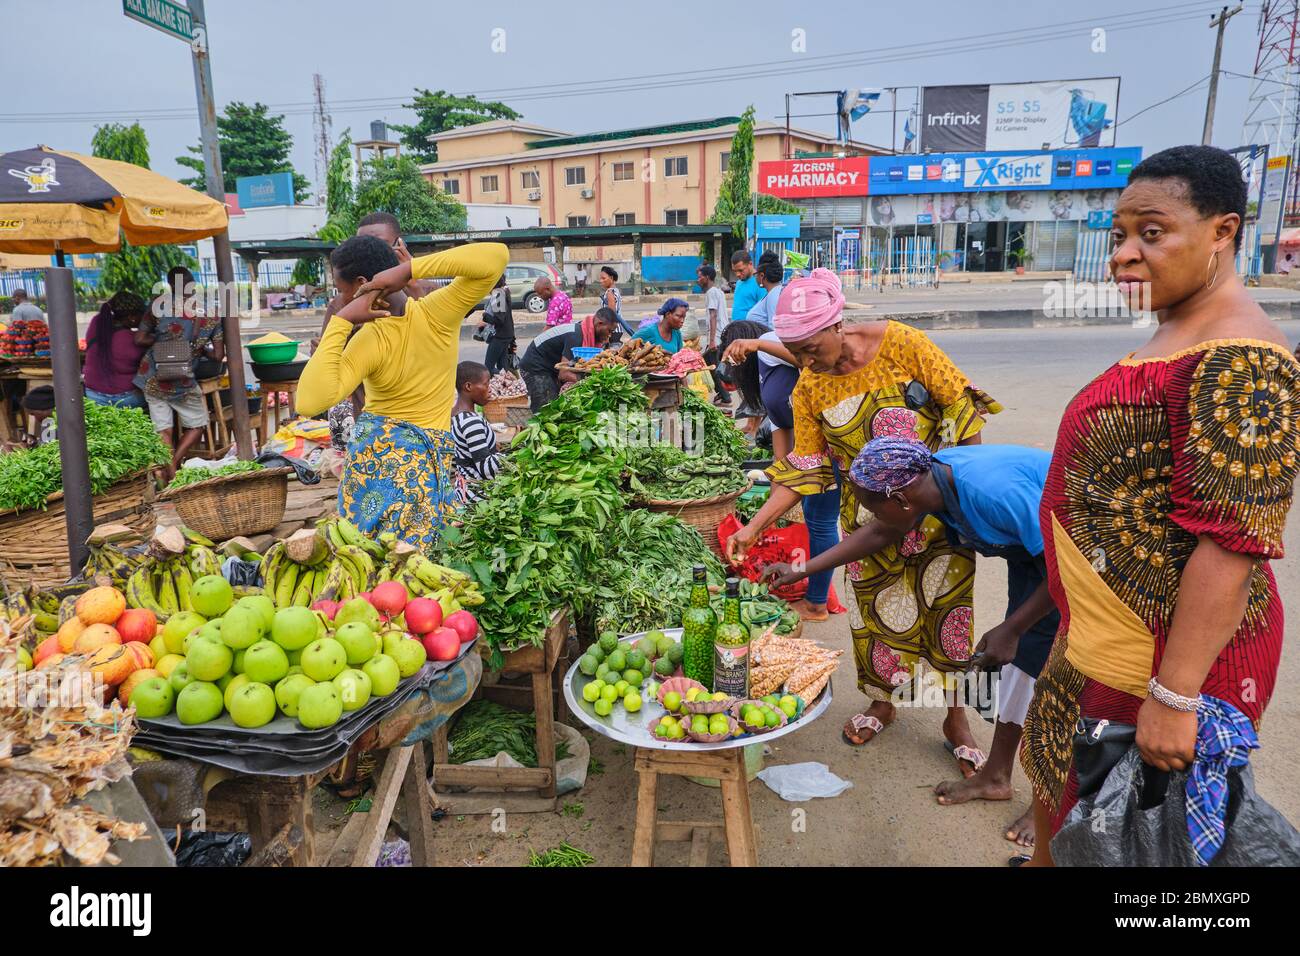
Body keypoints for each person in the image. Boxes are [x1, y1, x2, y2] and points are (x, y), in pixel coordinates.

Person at [1020, 145, 1300, 867]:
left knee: (1134, 845)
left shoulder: (1245, 357)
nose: (1124, 256)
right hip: (1098, 642)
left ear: (1222, 231)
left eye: (1152, 232)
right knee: (1069, 806)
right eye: (1118, 236)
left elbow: (1231, 543)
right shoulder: (1178, 331)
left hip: (1168, 661)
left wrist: (1175, 699)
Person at [727, 268, 1001, 768]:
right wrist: (754, 526)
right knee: (875, 617)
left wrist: (968, 498)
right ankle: (883, 701)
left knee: (950, 616)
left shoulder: (904, 344)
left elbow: (963, 414)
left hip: (939, 510)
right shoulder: (810, 386)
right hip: (868, 519)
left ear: (837, 327)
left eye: (812, 348)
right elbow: (806, 468)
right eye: (797, 351)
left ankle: (956, 717)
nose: (806, 361)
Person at [765, 438, 1058, 850]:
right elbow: (879, 532)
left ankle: (1051, 807)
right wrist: (801, 571)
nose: (872, 515)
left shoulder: (993, 493)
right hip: (1039, 556)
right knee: (1022, 669)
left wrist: (1013, 627)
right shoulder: (927, 482)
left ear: (902, 500)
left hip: (1084, 553)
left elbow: (1064, 569)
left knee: (1058, 682)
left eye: (873, 505)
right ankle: (996, 776)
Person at [298, 236, 508, 549]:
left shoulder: (369, 340)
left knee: (370, 563)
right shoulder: (437, 313)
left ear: (359, 285)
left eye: (340, 290)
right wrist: (409, 270)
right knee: (417, 566)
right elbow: (495, 257)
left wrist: (341, 322)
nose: (339, 299)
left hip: (376, 470)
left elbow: (308, 401)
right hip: (420, 468)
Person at [134, 266, 224, 476]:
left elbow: (139, 339)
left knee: (163, 429)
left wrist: (163, 342)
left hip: (153, 377)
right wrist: (198, 348)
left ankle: (168, 470)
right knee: (197, 424)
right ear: (193, 285)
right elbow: (218, 356)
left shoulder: (158, 306)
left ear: (171, 285)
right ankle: (174, 463)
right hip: (182, 380)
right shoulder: (211, 313)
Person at [519, 307, 619, 411]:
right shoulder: (576, 336)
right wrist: (591, 381)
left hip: (550, 366)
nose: (610, 335)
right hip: (535, 366)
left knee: (556, 405)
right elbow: (564, 374)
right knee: (546, 409)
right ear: (599, 324)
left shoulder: (586, 331)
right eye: (609, 330)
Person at [450, 361, 506, 504]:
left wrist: (492, 448)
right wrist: (515, 455)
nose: (490, 389)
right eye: (486, 384)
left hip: (466, 491)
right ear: (468, 386)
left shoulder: (455, 415)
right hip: (478, 498)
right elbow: (486, 468)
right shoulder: (471, 423)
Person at [83, 291, 148, 409]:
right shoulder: (133, 340)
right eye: (142, 315)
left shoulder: (96, 323)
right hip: (126, 399)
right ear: (131, 317)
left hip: (92, 396)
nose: (144, 319)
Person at [482, 274, 516, 375]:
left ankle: (511, 381)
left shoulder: (498, 295)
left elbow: (499, 319)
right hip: (505, 334)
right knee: (502, 367)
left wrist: (485, 317)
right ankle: (507, 386)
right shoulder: (503, 292)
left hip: (500, 336)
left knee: (488, 368)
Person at [744, 256, 784, 329]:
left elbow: (774, 328)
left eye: (755, 275)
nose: (755, 277)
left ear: (762, 276)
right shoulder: (772, 293)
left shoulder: (773, 295)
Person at [730, 249, 762, 324]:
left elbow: (763, 312)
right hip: (736, 329)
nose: (737, 274)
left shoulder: (760, 283)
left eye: (740, 270)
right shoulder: (739, 283)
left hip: (750, 331)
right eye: (735, 271)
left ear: (750, 264)